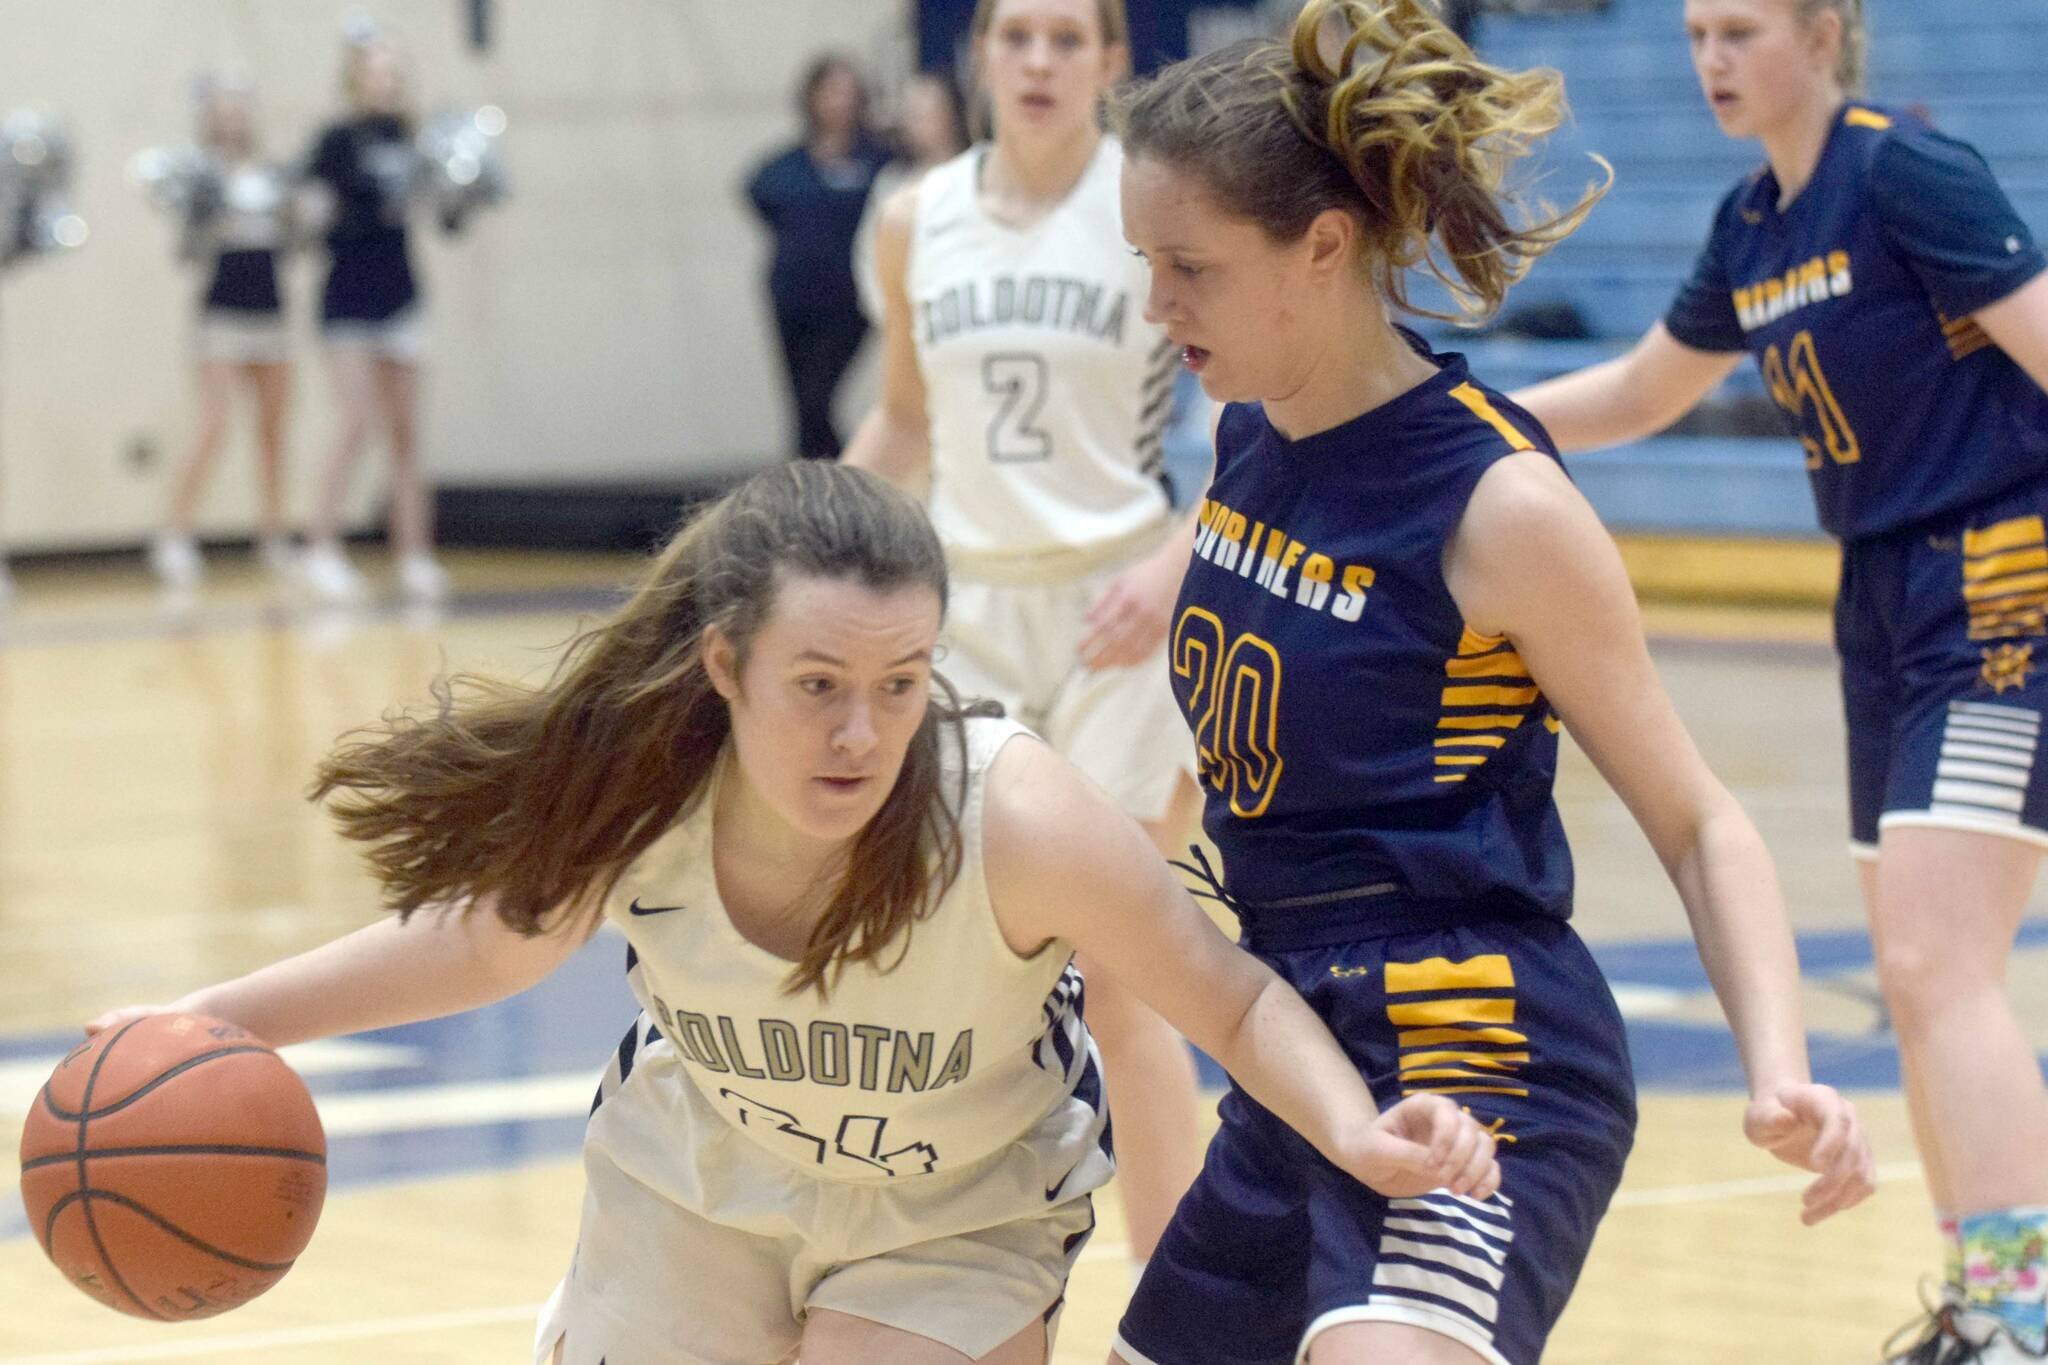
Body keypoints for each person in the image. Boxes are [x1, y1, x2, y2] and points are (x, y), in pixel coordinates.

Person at [86, 461, 1506, 1365]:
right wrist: (212, 1020)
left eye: (901, 683)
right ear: (724, 661)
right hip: (696, 1186)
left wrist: (1355, 1126)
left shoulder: (1010, 813)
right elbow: (482, 942)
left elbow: (1233, 994)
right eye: (817, 682)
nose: (861, 731)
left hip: (956, 1219)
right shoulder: (651, 789)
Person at [1106, 3, 1877, 1362]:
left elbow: (1698, 819)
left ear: (1324, 247)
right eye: (1146, 265)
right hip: (1299, 1053)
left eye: (1189, 267)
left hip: (1480, 1051)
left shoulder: (1499, 506)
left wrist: (1779, 1071)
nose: (1159, 307)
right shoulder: (1245, 436)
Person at [1509, 1, 2048, 1357]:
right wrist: (1468, 414)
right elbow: (1643, 392)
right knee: (1923, 971)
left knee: (1938, 961)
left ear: (1823, 33)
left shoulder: (1906, 173)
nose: (1710, 60)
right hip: (1875, 595)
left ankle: (2029, 1310)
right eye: (1696, 32)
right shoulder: (1755, 224)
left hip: (1993, 573)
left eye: (1742, 29)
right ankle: (1985, 1303)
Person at [843, 0, 1212, 1273]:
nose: (1041, 61)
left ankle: (1180, 1306)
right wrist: (795, 548)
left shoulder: (1152, 202)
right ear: (979, 55)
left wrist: (1173, 571)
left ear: (1113, 61)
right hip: (961, 618)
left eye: (1069, 39)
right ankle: (934, 1273)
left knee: (1120, 972)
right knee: (940, 969)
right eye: (1018, 37)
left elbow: (1254, 417)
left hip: (1122, 606)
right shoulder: (910, 219)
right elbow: (901, 420)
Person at [297, 27, 447, 603]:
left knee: (407, 432)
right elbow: (312, 216)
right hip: (347, 299)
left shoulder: (413, 138)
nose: (387, 80)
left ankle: (415, 554)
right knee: (354, 420)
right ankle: (320, 548)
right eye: (376, 70)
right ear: (354, 78)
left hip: (402, 293)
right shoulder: (335, 141)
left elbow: (441, 215)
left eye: (394, 71)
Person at [145, 78, 298, 592]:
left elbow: (297, 239)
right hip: (222, 312)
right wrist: (205, 210)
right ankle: (174, 536)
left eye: (240, 108)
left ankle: (273, 537)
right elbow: (186, 250)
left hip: (271, 309)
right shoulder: (198, 173)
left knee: (273, 430)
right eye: (222, 110)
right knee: (214, 425)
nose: (232, 118)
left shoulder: (275, 174)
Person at [746, 55, 892, 461]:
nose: (839, 101)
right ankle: (813, 484)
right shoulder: (789, 165)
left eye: (847, 91)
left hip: (851, 301)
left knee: (818, 397)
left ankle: (844, 476)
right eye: (830, 91)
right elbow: (757, 192)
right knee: (802, 404)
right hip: (793, 297)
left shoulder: (880, 161)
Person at [854, 71, 971, 322]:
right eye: (910, 114)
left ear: (952, 115)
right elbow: (868, 257)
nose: (913, 123)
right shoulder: (892, 182)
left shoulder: (979, 179)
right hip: (902, 323)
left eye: (923, 114)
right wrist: (889, 315)